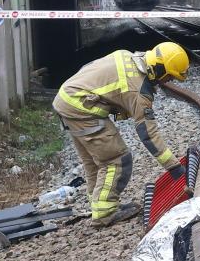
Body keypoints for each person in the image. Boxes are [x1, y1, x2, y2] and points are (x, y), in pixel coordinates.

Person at [52, 41, 191, 227]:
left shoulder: (127, 56)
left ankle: (98, 204)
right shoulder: (138, 90)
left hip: (67, 99)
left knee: (94, 161)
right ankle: (104, 213)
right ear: (160, 70)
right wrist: (174, 167)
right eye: (168, 78)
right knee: (117, 159)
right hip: (82, 108)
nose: (167, 82)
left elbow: (91, 72)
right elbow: (147, 134)